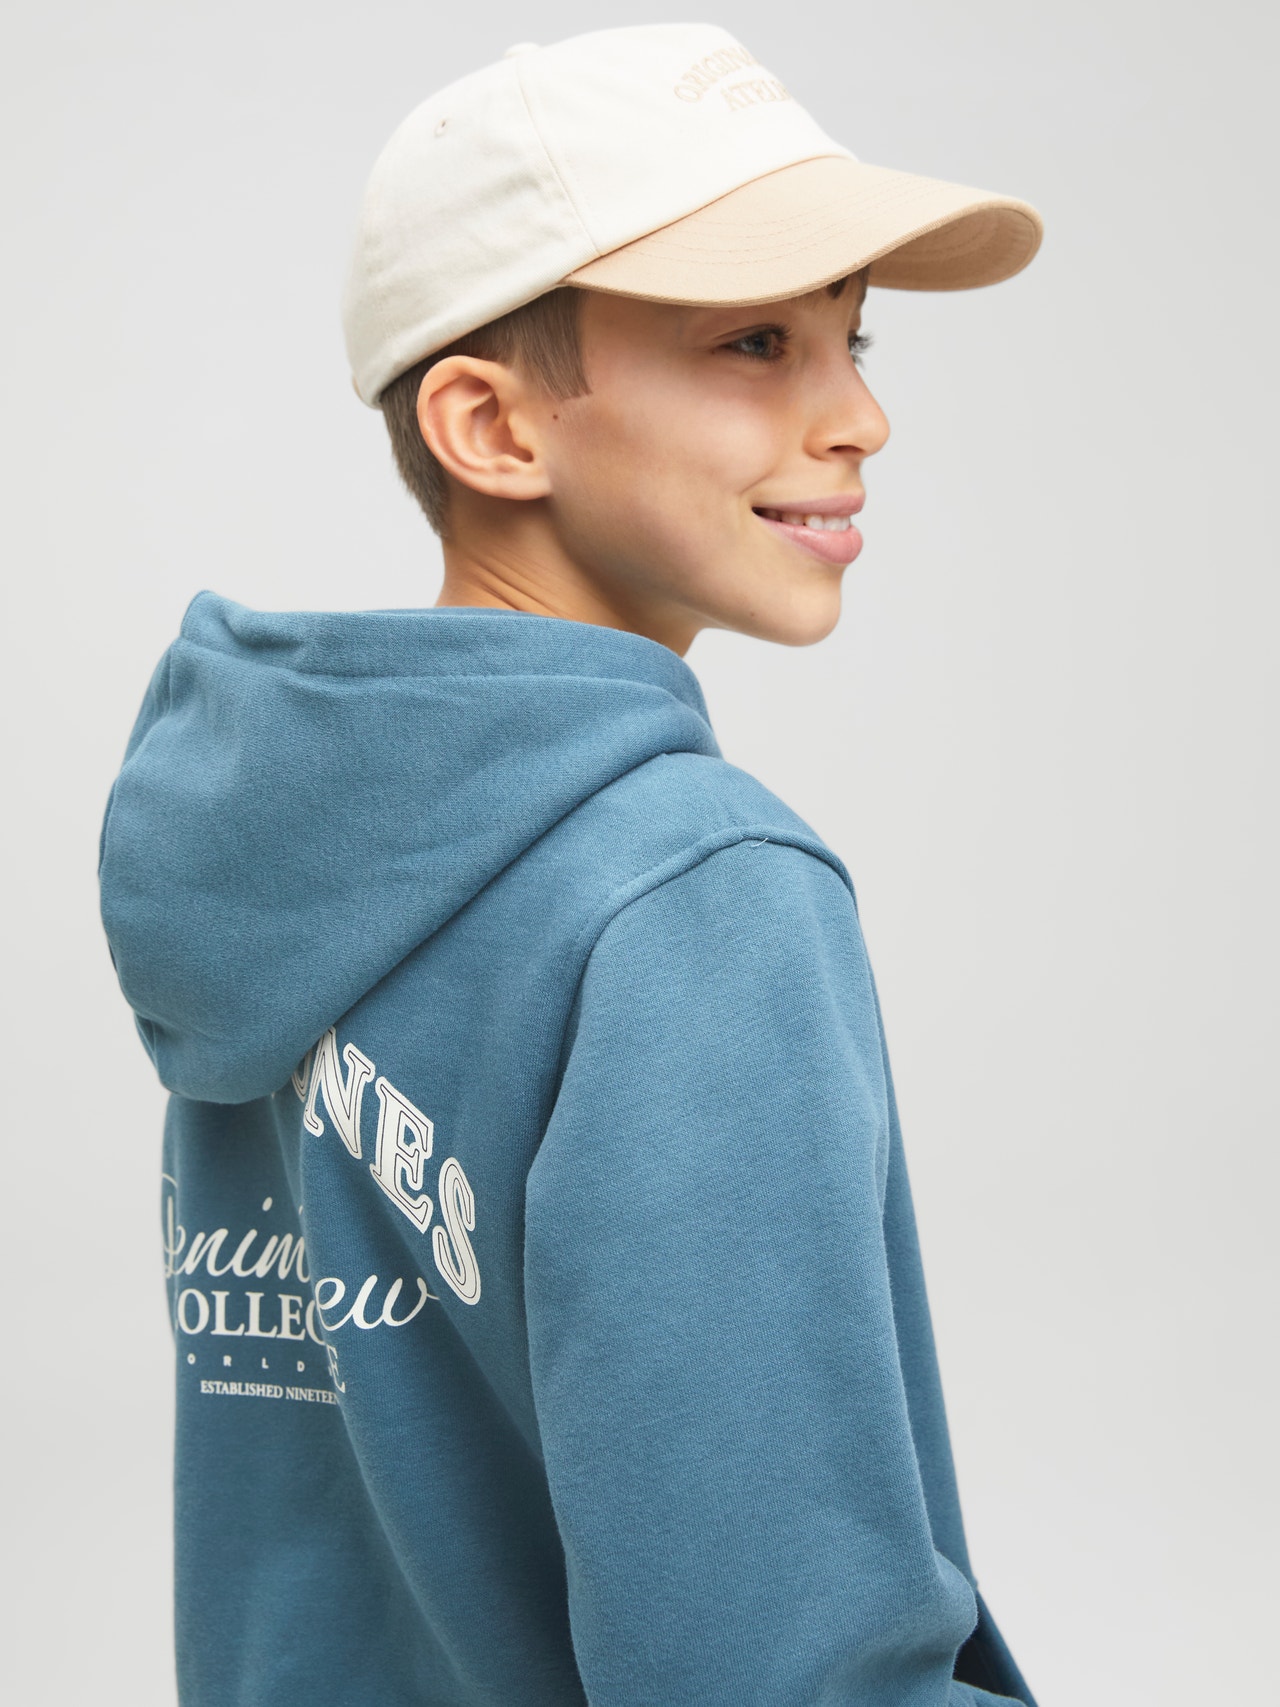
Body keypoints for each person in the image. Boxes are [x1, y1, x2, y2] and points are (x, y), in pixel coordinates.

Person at [99, 22, 1044, 1706]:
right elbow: (773, 1670)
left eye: (852, 336)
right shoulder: (692, 896)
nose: (863, 416)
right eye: (756, 342)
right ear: (491, 424)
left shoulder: (284, 873)